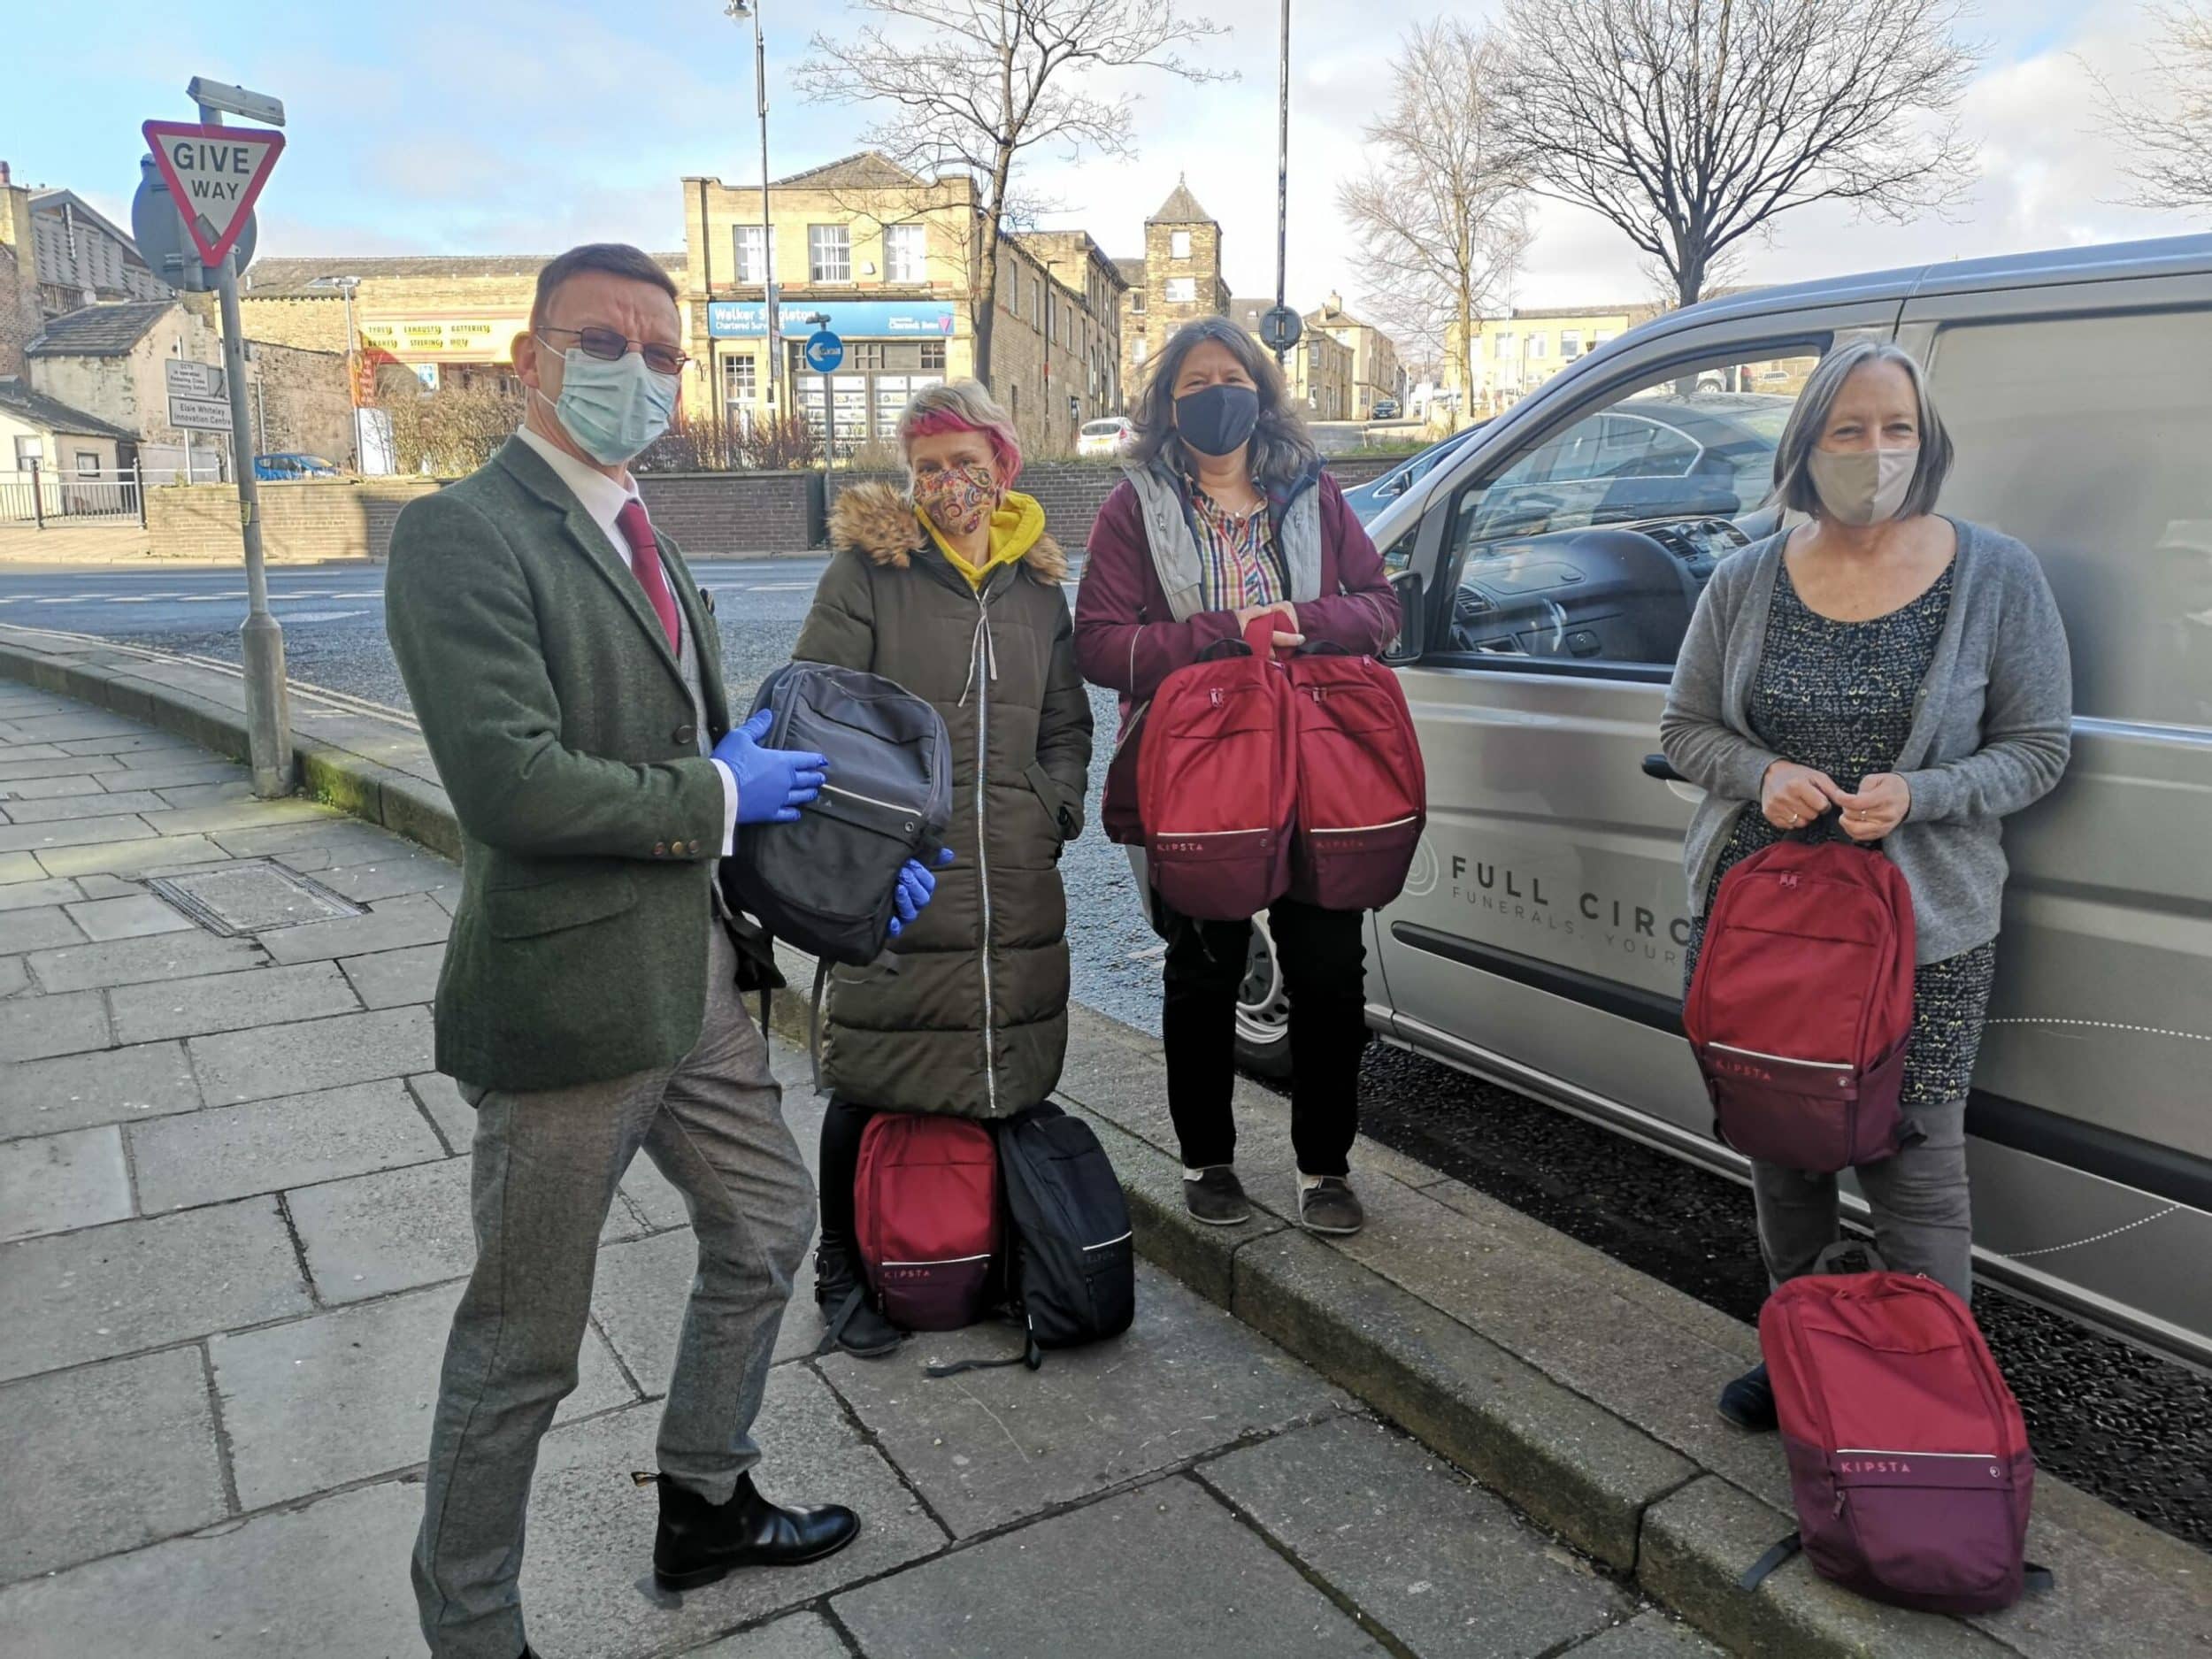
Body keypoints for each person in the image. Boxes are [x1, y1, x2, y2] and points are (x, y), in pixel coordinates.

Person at [387, 243, 894, 1659]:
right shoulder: (461, 533)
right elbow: (512, 785)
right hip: (565, 1005)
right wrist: (723, 794)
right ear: (529, 358)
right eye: (606, 340)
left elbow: (703, 754)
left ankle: (705, 1498)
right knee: (523, 1348)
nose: (641, 371)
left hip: (697, 984)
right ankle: (474, 1625)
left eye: (665, 352)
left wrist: (834, 876)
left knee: (769, 1225)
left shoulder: (644, 527)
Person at [1660, 339, 2072, 1432]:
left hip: (1924, 932)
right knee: (1781, 1151)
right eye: (1848, 430)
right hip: (1764, 927)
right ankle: (1803, 1351)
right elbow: (1684, 727)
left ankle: (1924, 1397)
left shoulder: (1996, 574)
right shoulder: (1745, 577)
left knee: (1917, 1167)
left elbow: (2037, 750)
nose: (1874, 452)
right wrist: (1763, 773)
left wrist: (1926, 792)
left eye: (1895, 430)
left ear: (1927, 443)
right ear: (1807, 446)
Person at [1074, 318, 1400, 1237]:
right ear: (1167, 405)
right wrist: (1223, 634)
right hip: (1200, 767)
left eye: (1232, 376)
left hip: (1314, 766)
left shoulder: (1312, 492)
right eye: (1194, 382)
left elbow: (1380, 608)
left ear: (1260, 389)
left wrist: (1303, 620)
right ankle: (1206, 1158)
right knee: (1205, 969)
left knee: (1330, 975)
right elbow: (1100, 645)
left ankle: (1324, 1167)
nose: (1216, 394)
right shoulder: (1132, 505)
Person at [795, 380, 1093, 1357]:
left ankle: (1000, 1257)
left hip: (1012, 867)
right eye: (927, 467)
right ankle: (845, 1259)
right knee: (873, 1064)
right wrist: (869, 842)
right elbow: (818, 708)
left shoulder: (1039, 586)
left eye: (964, 464)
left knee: (1009, 1067)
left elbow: (1064, 722)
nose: (946, 484)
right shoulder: (868, 573)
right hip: (902, 871)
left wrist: (1053, 809)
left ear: (1001, 465)